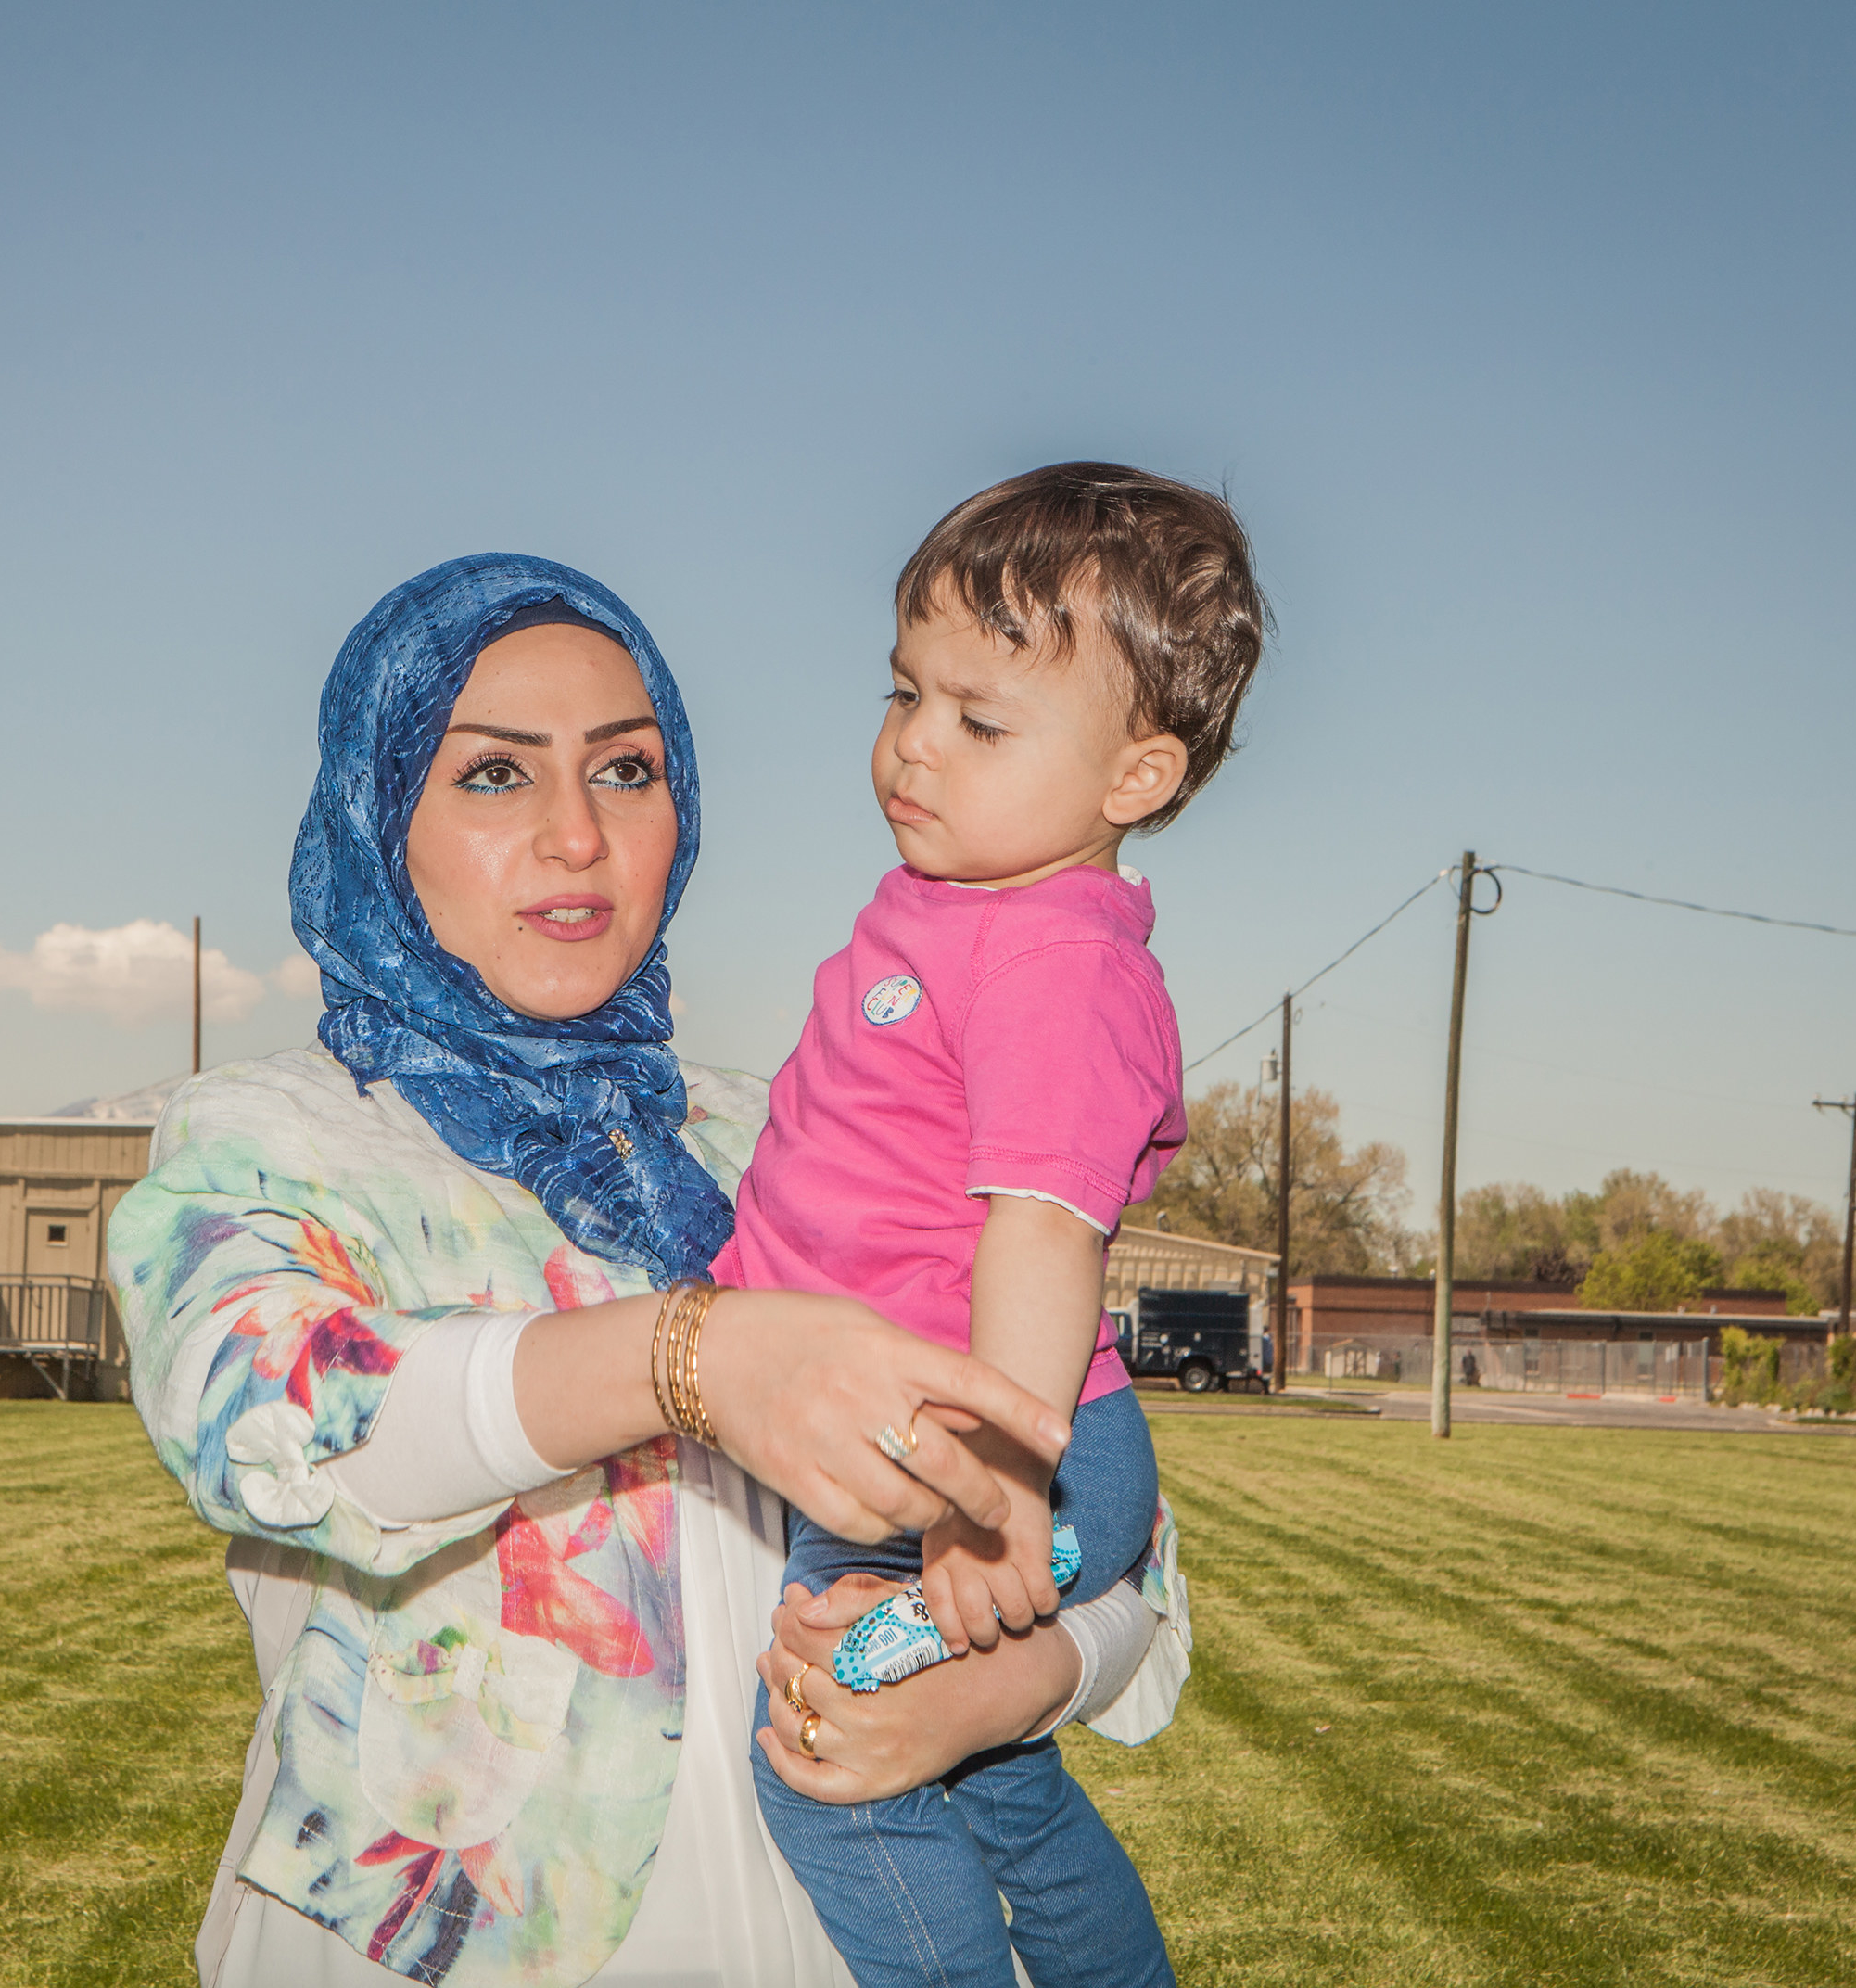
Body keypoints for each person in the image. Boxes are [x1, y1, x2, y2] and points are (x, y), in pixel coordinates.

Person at [109, 552, 1194, 1987]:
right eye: (494, 778)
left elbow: (1119, 1561)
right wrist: (690, 1356)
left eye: (625, 772)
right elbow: (274, 1429)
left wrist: (1008, 1687)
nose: (576, 836)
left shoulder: (793, 1125)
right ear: (380, 815)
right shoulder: (273, 1141)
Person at [724, 465, 1267, 1987]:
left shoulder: (1057, 960)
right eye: (905, 692)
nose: (911, 748)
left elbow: (1040, 1235)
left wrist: (989, 1494)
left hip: (994, 1454)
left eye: (980, 719)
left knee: (832, 1764)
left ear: (1134, 779)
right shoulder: (965, 908)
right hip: (938, 1448)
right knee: (997, 1777)